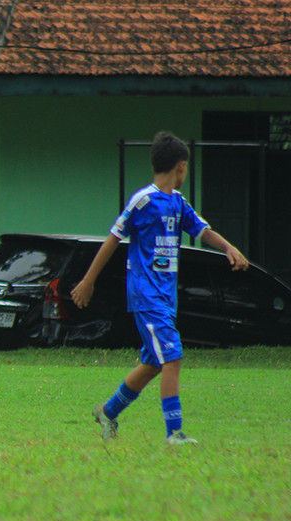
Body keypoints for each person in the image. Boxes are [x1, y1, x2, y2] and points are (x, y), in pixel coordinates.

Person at [70, 131, 249, 445]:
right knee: (173, 358)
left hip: (166, 297)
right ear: (181, 167)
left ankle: (108, 412)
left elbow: (202, 230)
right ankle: (174, 433)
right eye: (186, 169)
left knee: (154, 363)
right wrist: (88, 281)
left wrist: (229, 248)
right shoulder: (144, 200)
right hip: (146, 294)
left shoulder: (178, 203)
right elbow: (113, 239)